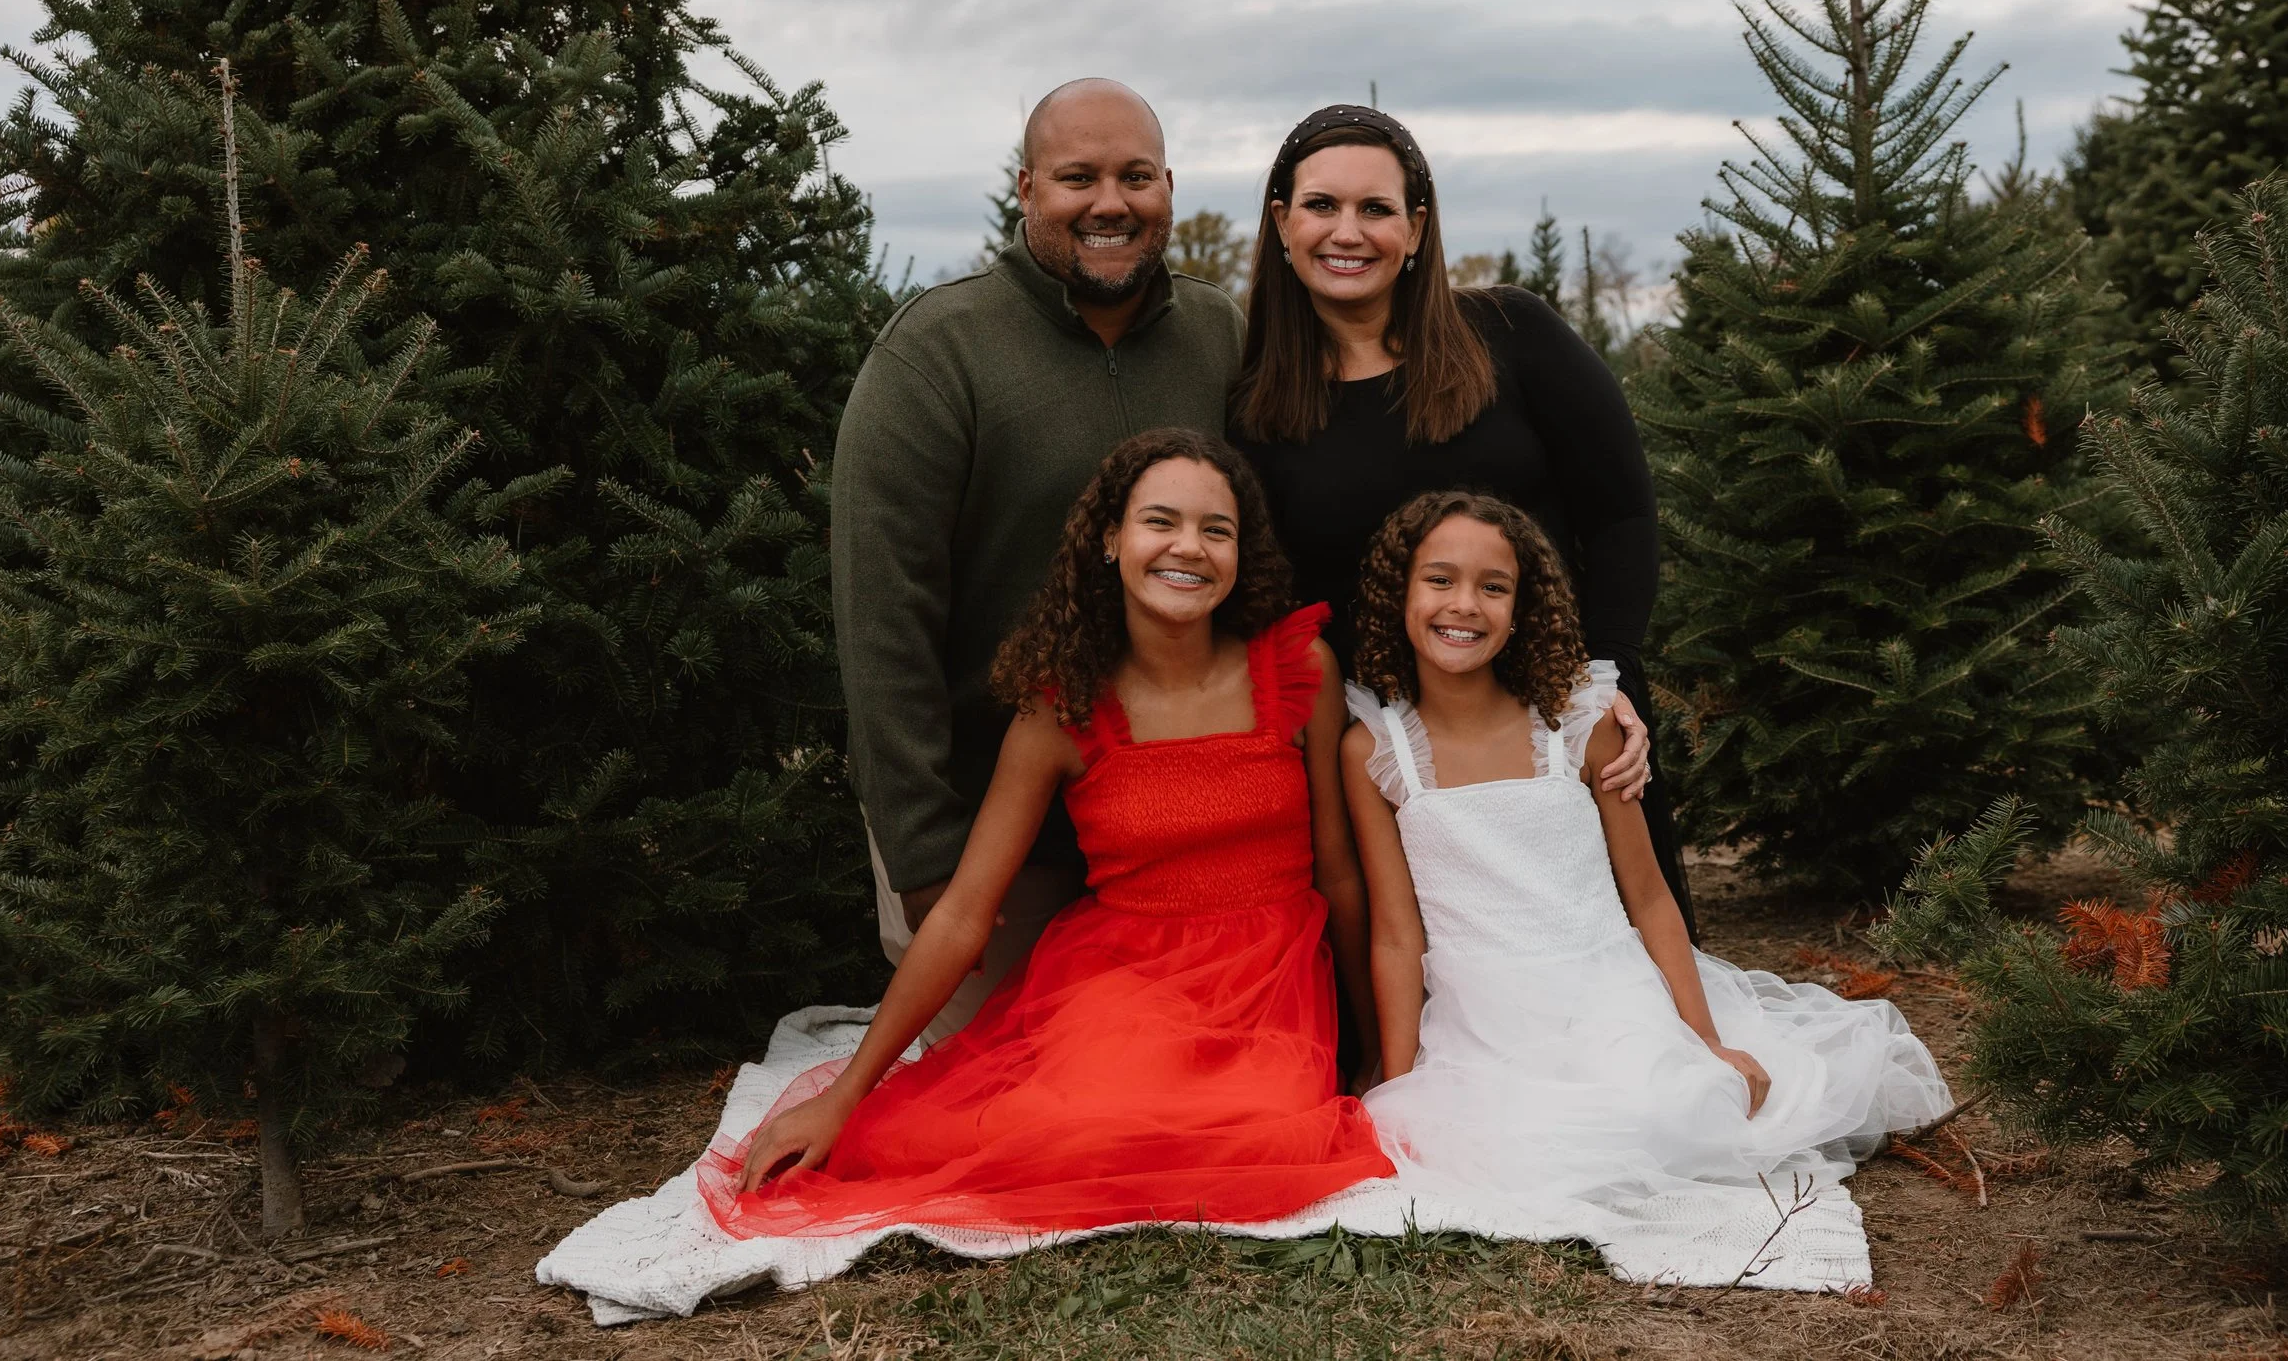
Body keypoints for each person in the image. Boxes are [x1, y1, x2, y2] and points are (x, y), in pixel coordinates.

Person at [703, 430, 1391, 1238]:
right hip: (1125, 983)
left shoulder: (1297, 670)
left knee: (1256, 1135)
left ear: (1243, 551)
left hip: (1268, 985)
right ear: (1110, 539)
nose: (1188, 547)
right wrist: (845, 1092)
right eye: (1159, 521)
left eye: (1217, 529)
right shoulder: (1060, 710)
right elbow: (964, 913)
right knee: (1075, 1133)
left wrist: (1375, 1059)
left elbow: (1342, 879)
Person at [1340, 492, 1950, 1268]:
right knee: (1484, 1144)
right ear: (1400, 594)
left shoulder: (1582, 726)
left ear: (1526, 608)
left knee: (1668, 1110)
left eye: (1494, 586)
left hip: (1607, 992)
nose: (1465, 604)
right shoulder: (1373, 750)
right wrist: (1397, 1083)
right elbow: (1397, 934)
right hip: (1481, 1017)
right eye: (1440, 579)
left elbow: (1651, 895)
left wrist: (1705, 1041)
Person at [832, 79, 1244, 1040]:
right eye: (1078, 177)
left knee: (1191, 1074)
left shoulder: (1221, 335)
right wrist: (927, 859)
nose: (1111, 202)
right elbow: (881, 620)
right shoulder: (937, 353)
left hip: (1177, 821)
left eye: (1135, 176)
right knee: (1019, 1089)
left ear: (1170, 188)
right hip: (993, 831)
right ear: (1026, 189)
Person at [1228, 104, 1697, 931]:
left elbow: (1622, 512)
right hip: (1400, 757)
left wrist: (1604, 680)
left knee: (1623, 968)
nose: (1348, 231)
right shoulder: (1258, 405)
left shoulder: (1514, 336)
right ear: (1282, 222)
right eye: (1321, 206)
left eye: (1376, 208)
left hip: (1563, 721)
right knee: (1448, 984)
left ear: (1416, 227)